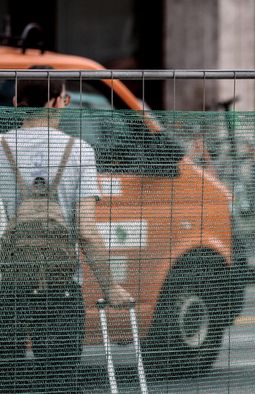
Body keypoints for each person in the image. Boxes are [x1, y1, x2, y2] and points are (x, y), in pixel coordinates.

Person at [0, 66, 132, 392]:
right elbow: (86, 231)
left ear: (17, 101)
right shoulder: (80, 151)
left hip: (8, 286)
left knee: (8, 382)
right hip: (62, 286)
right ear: (62, 101)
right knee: (59, 383)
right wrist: (111, 288)